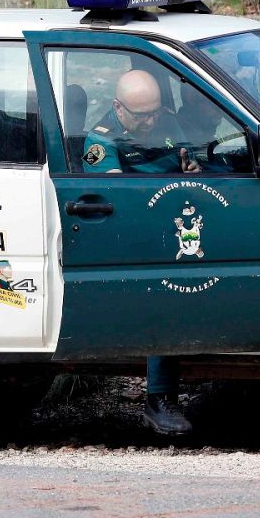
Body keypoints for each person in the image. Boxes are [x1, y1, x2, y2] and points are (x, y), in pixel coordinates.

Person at [80, 69, 198, 436]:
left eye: (154, 113)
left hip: (176, 222)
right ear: (118, 107)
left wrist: (193, 168)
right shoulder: (100, 143)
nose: (150, 122)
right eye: (141, 115)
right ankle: (159, 399)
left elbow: (187, 159)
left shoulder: (166, 121)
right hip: (132, 240)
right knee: (166, 292)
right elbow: (121, 202)